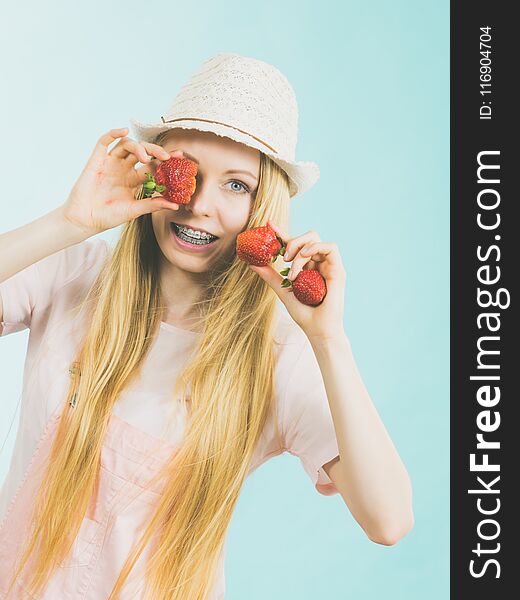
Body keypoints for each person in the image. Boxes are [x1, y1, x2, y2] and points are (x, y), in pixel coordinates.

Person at [0, 53, 413, 599]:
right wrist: (68, 222)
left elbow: (388, 521)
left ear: (264, 204)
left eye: (236, 186)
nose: (198, 205)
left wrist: (329, 340)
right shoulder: (72, 277)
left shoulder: (274, 358)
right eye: (187, 172)